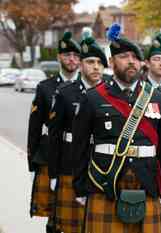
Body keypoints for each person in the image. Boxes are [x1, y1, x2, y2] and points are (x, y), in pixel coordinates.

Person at [71, 23, 161, 233]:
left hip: (147, 181)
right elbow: (79, 148)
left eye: (135, 57)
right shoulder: (93, 97)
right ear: (111, 61)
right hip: (104, 183)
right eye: (124, 57)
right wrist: (79, 186)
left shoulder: (157, 97)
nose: (131, 62)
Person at [47, 35, 108, 233]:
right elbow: (54, 136)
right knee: (70, 226)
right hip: (70, 166)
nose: (96, 67)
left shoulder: (111, 92)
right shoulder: (65, 92)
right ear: (81, 64)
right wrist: (53, 173)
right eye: (91, 62)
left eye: (100, 62)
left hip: (102, 167)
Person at [27, 31, 80, 233]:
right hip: (49, 157)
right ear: (59, 57)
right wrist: (32, 166)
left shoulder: (89, 88)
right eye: (67, 55)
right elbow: (34, 129)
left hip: (79, 157)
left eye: (76, 56)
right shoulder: (45, 87)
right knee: (54, 217)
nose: (72, 59)